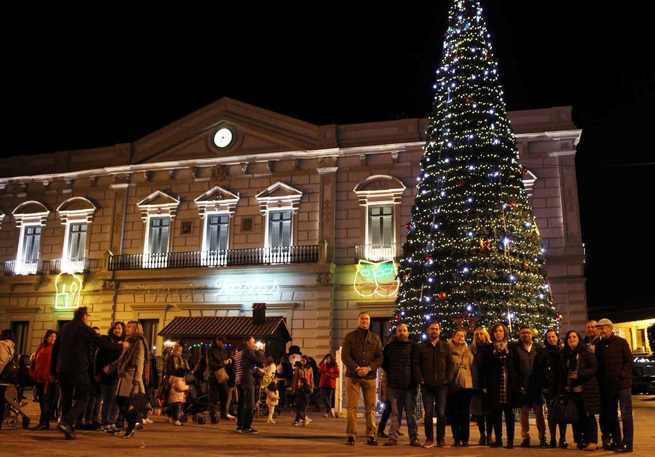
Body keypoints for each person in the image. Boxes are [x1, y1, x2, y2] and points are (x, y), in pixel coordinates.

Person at [52, 307, 128, 440]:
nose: (89, 319)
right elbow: (102, 343)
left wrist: (53, 370)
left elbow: (55, 349)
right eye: (88, 316)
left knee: (66, 398)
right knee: (85, 396)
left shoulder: (64, 328)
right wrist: (121, 346)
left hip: (62, 369)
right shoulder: (84, 328)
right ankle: (67, 421)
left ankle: (68, 429)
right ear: (84, 316)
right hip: (78, 369)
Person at [341, 311, 383, 446]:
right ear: (358, 321)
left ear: (369, 322)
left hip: (370, 376)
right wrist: (357, 368)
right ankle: (351, 435)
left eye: (367, 319)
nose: (365, 321)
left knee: (370, 407)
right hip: (353, 376)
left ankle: (371, 435)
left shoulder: (375, 338)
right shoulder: (350, 337)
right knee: (352, 407)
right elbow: (345, 356)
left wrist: (369, 368)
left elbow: (380, 357)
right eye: (362, 319)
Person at [595, 318, 634, 452]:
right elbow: (599, 366)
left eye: (603, 327)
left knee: (626, 414)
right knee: (611, 415)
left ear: (610, 328)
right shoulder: (599, 345)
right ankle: (617, 441)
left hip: (623, 385)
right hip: (608, 386)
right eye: (599, 328)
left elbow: (629, 361)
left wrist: (622, 374)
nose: (601, 330)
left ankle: (628, 443)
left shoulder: (621, 342)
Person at [558, 329, 601, 451]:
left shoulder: (586, 352)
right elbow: (562, 373)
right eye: (569, 337)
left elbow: (594, 368)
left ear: (578, 339)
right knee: (575, 417)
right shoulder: (565, 354)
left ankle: (592, 441)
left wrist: (580, 374)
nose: (571, 339)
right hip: (572, 390)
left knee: (589, 416)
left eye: (574, 337)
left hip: (586, 389)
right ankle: (578, 440)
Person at [482, 322, 520, 449]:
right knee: (496, 413)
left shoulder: (512, 347)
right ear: (493, 333)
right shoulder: (488, 348)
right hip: (494, 385)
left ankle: (510, 440)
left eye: (501, 331)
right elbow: (485, 368)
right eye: (496, 331)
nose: (498, 333)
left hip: (508, 384)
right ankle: (498, 439)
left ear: (504, 333)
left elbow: (517, 366)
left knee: (509, 414)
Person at [382, 323, 420, 447]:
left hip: (410, 386)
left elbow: (416, 364)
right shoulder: (389, 347)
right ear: (396, 332)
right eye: (400, 330)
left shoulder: (414, 346)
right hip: (394, 386)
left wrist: (416, 380)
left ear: (408, 332)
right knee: (395, 414)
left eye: (404, 330)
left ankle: (414, 438)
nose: (402, 332)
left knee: (411, 414)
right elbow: (385, 364)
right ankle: (393, 438)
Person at [415, 321, 449, 448]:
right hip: (426, 385)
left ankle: (441, 439)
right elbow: (416, 364)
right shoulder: (421, 347)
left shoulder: (445, 346)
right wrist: (421, 379)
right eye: (432, 329)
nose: (434, 331)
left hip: (442, 386)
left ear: (439, 331)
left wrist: (447, 379)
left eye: (436, 329)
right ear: (428, 331)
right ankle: (429, 439)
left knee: (441, 413)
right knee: (428, 413)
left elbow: (450, 364)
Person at [514, 326, 546, 447]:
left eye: (528, 333)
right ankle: (525, 437)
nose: (525, 335)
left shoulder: (539, 348)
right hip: (523, 386)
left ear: (532, 334)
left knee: (539, 414)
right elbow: (515, 369)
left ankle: (543, 437)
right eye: (523, 333)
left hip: (537, 387)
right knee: (524, 414)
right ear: (520, 335)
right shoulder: (517, 349)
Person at [115, 321, 149, 438]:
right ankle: (129, 427)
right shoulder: (128, 341)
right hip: (124, 375)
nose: (127, 328)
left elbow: (140, 361)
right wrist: (113, 365)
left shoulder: (138, 342)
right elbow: (121, 358)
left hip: (131, 376)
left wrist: (137, 381)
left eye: (130, 327)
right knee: (121, 401)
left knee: (125, 403)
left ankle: (130, 427)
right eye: (127, 326)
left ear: (136, 329)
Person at [536, 328, 566, 448]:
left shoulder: (563, 351)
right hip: (549, 389)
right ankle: (553, 438)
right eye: (549, 337)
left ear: (557, 337)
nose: (551, 339)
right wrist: (544, 386)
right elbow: (539, 371)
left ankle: (562, 438)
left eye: (553, 336)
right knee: (552, 415)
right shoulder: (543, 353)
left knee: (562, 414)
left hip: (562, 387)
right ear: (546, 339)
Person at [97, 322, 126, 432]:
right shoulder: (107, 340)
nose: (117, 330)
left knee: (116, 400)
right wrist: (99, 371)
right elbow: (99, 356)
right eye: (115, 328)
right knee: (108, 400)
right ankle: (105, 423)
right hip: (107, 374)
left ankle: (112, 422)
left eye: (120, 328)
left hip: (118, 375)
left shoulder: (124, 343)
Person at [447, 328, 474, 447]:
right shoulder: (448, 348)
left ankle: (465, 439)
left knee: (465, 413)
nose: (461, 338)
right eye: (458, 335)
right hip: (453, 384)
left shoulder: (468, 349)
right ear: (453, 337)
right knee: (454, 413)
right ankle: (456, 438)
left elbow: (471, 364)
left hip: (466, 384)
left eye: (463, 336)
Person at [30, 330, 58, 430]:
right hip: (40, 379)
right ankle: (44, 423)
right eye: (51, 336)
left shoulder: (56, 349)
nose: (53, 338)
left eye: (55, 336)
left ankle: (44, 423)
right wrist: (33, 373)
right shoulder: (41, 347)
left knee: (46, 401)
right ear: (46, 337)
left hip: (50, 380)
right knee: (42, 401)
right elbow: (35, 361)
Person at [236, 336, 263, 434]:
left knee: (242, 403)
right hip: (247, 379)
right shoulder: (248, 351)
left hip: (241, 379)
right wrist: (259, 351)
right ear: (247, 342)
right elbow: (260, 362)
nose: (254, 344)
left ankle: (241, 425)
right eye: (253, 342)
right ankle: (246, 426)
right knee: (250, 404)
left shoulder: (240, 353)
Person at [470, 327, 492, 446]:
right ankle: (482, 435)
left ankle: (489, 435)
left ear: (486, 335)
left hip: (488, 384)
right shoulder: (472, 349)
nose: (479, 336)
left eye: (481, 334)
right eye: (477, 335)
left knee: (488, 412)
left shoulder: (490, 348)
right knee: (478, 412)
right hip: (476, 385)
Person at [207, 336, 230, 424]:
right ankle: (213, 416)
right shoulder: (211, 350)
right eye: (222, 342)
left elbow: (228, 357)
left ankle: (223, 413)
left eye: (224, 343)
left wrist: (229, 360)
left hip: (222, 374)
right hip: (213, 375)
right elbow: (211, 364)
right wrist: (222, 363)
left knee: (225, 393)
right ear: (217, 341)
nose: (223, 344)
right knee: (213, 397)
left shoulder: (224, 350)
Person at [167, 343, 189, 426]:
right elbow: (169, 370)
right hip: (174, 380)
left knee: (177, 400)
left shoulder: (182, 359)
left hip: (180, 379)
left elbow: (186, 369)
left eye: (180, 351)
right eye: (178, 351)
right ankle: (175, 418)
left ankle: (173, 416)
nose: (179, 352)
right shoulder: (170, 358)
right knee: (176, 401)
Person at [0, 329, 17, 430]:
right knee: (1, 401)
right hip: (6, 379)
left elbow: (1, 362)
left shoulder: (3, 344)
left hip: (1, 378)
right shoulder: (11, 346)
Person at [292, 361, 313, 426]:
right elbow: (295, 379)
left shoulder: (309, 368)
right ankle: (298, 420)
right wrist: (294, 388)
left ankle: (304, 419)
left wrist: (311, 387)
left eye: (304, 360)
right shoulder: (298, 369)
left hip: (305, 388)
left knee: (301, 408)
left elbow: (311, 378)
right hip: (300, 389)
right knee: (298, 407)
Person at [318, 354, 339, 418]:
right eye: (327, 358)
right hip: (323, 383)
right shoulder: (323, 365)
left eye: (329, 358)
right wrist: (323, 364)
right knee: (324, 397)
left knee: (329, 398)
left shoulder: (334, 366)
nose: (328, 360)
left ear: (331, 359)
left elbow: (337, 374)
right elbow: (320, 371)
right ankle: (330, 410)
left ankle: (327, 413)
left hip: (331, 384)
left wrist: (330, 375)